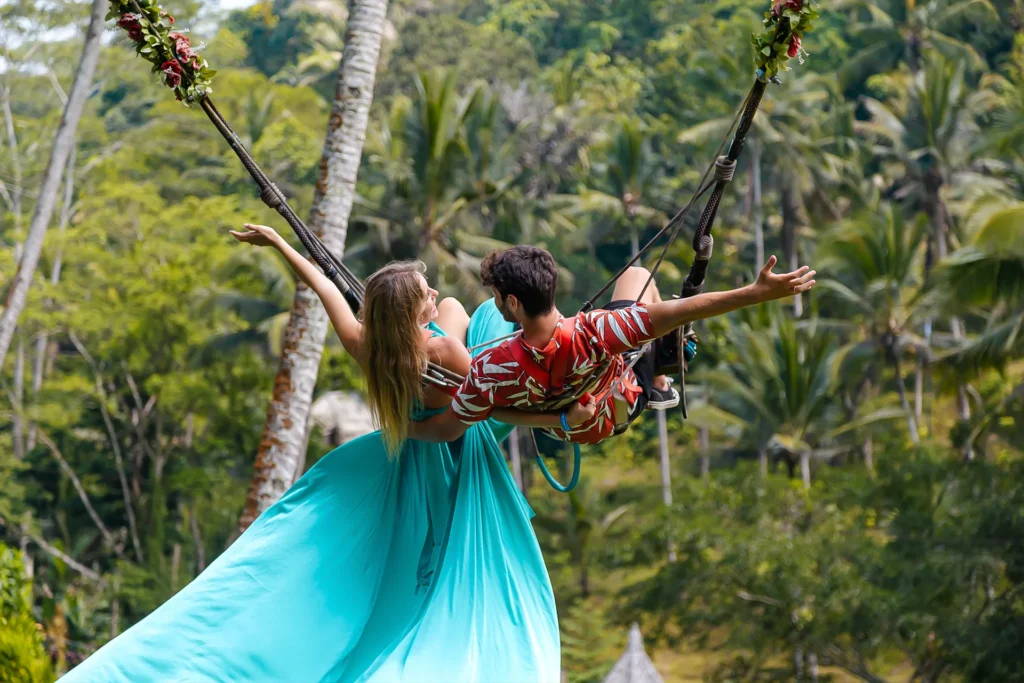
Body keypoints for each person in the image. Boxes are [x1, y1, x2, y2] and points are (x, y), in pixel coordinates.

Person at [59, 225, 565, 682]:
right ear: (414, 316)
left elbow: (325, 285)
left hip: (415, 436)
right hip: (449, 439)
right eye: (425, 294)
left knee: (456, 310)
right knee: (473, 316)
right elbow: (475, 415)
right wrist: (554, 419)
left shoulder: (366, 343)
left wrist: (281, 243)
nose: (433, 292)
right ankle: (559, 344)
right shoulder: (445, 354)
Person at [410, 245, 816, 446]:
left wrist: (402, 428)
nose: (495, 301)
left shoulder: (490, 370)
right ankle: (656, 381)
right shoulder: (598, 330)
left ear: (512, 302)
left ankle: (655, 372)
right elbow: (683, 309)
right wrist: (756, 292)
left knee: (645, 304)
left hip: (568, 427)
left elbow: (446, 429)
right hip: (619, 402)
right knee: (639, 277)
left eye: (496, 295)